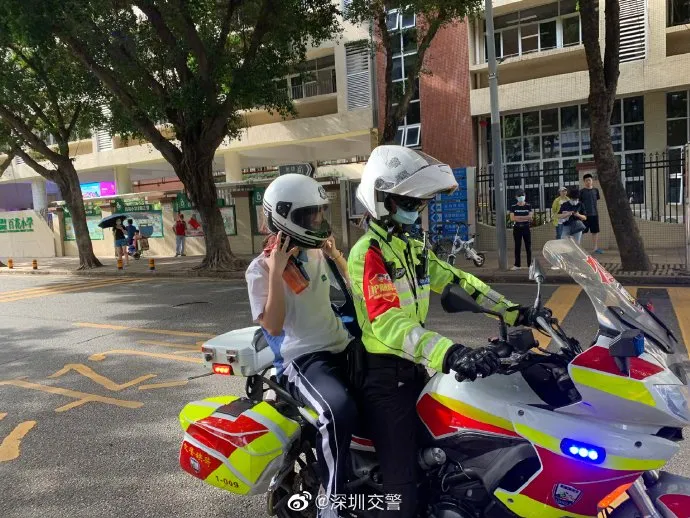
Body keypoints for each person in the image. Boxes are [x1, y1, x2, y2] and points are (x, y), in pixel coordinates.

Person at [347, 145, 531, 518]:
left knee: (449, 454)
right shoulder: (369, 253)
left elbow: (457, 281)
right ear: (382, 200)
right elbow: (387, 322)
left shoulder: (410, 247)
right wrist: (449, 352)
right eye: (409, 202)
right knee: (404, 492)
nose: (416, 209)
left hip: (413, 370)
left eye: (420, 202)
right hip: (384, 381)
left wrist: (515, 312)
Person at [245, 174, 357, 518]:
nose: (318, 220)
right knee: (336, 413)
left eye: (320, 212)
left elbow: (355, 292)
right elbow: (273, 325)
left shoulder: (317, 253)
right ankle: (333, 505)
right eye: (310, 215)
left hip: (343, 345)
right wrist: (276, 272)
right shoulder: (259, 269)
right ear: (284, 216)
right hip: (305, 359)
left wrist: (337, 257)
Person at [509, 189, 532, 271]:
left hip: (526, 227)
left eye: (522, 195)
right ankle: (517, 265)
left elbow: (530, 217)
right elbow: (512, 218)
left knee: (528, 247)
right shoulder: (513, 207)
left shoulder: (528, 206)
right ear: (516, 197)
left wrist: (518, 217)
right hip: (517, 228)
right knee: (517, 247)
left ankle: (530, 264)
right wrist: (524, 217)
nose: (521, 197)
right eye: (519, 196)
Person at [581, 173, 603, 253]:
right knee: (581, 231)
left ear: (592, 181)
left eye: (589, 180)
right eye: (586, 180)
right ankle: (579, 248)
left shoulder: (596, 190)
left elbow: (596, 199)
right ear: (584, 181)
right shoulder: (581, 192)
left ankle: (595, 248)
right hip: (584, 215)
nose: (588, 182)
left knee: (595, 231)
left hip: (594, 214)